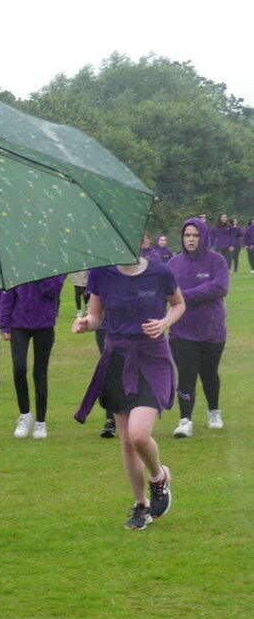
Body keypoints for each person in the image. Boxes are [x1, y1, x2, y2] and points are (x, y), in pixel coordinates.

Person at [73, 253, 184, 529]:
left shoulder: (160, 272)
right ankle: (139, 504)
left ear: (142, 240)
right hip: (117, 359)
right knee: (126, 442)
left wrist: (164, 323)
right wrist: (87, 323)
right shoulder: (101, 274)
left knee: (138, 435)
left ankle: (158, 477)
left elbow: (178, 304)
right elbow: (97, 316)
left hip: (152, 359)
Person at [167, 218, 229, 437]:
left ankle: (214, 411)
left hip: (213, 331)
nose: (191, 239)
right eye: (187, 235)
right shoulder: (173, 263)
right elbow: (163, 289)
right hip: (181, 330)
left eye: (195, 235)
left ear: (203, 237)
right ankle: (185, 420)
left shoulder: (217, 260)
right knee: (185, 375)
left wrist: (184, 295)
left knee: (209, 373)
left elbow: (219, 287)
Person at [0, 275, 66, 439]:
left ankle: (40, 422)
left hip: (44, 325)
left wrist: (39, 274)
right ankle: (25, 415)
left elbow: (51, 291)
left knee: (40, 373)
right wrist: (4, 324)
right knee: (19, 368)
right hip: (19, 324)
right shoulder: (17, 267)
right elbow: (8, 294)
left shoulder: (56, 270)